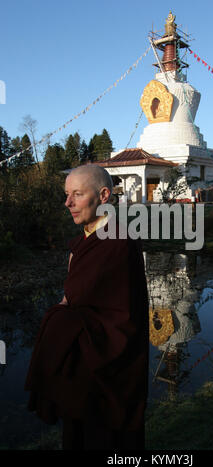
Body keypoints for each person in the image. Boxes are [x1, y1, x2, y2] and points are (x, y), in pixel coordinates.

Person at [24, 164, 149, 450]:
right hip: (87, 364)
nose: (68, 203)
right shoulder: (88, 240)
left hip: (110, 364)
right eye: (67, 194)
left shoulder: (117, 241)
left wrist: (59, 312)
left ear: (103, 195)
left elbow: (81, 304)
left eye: (77, 194)